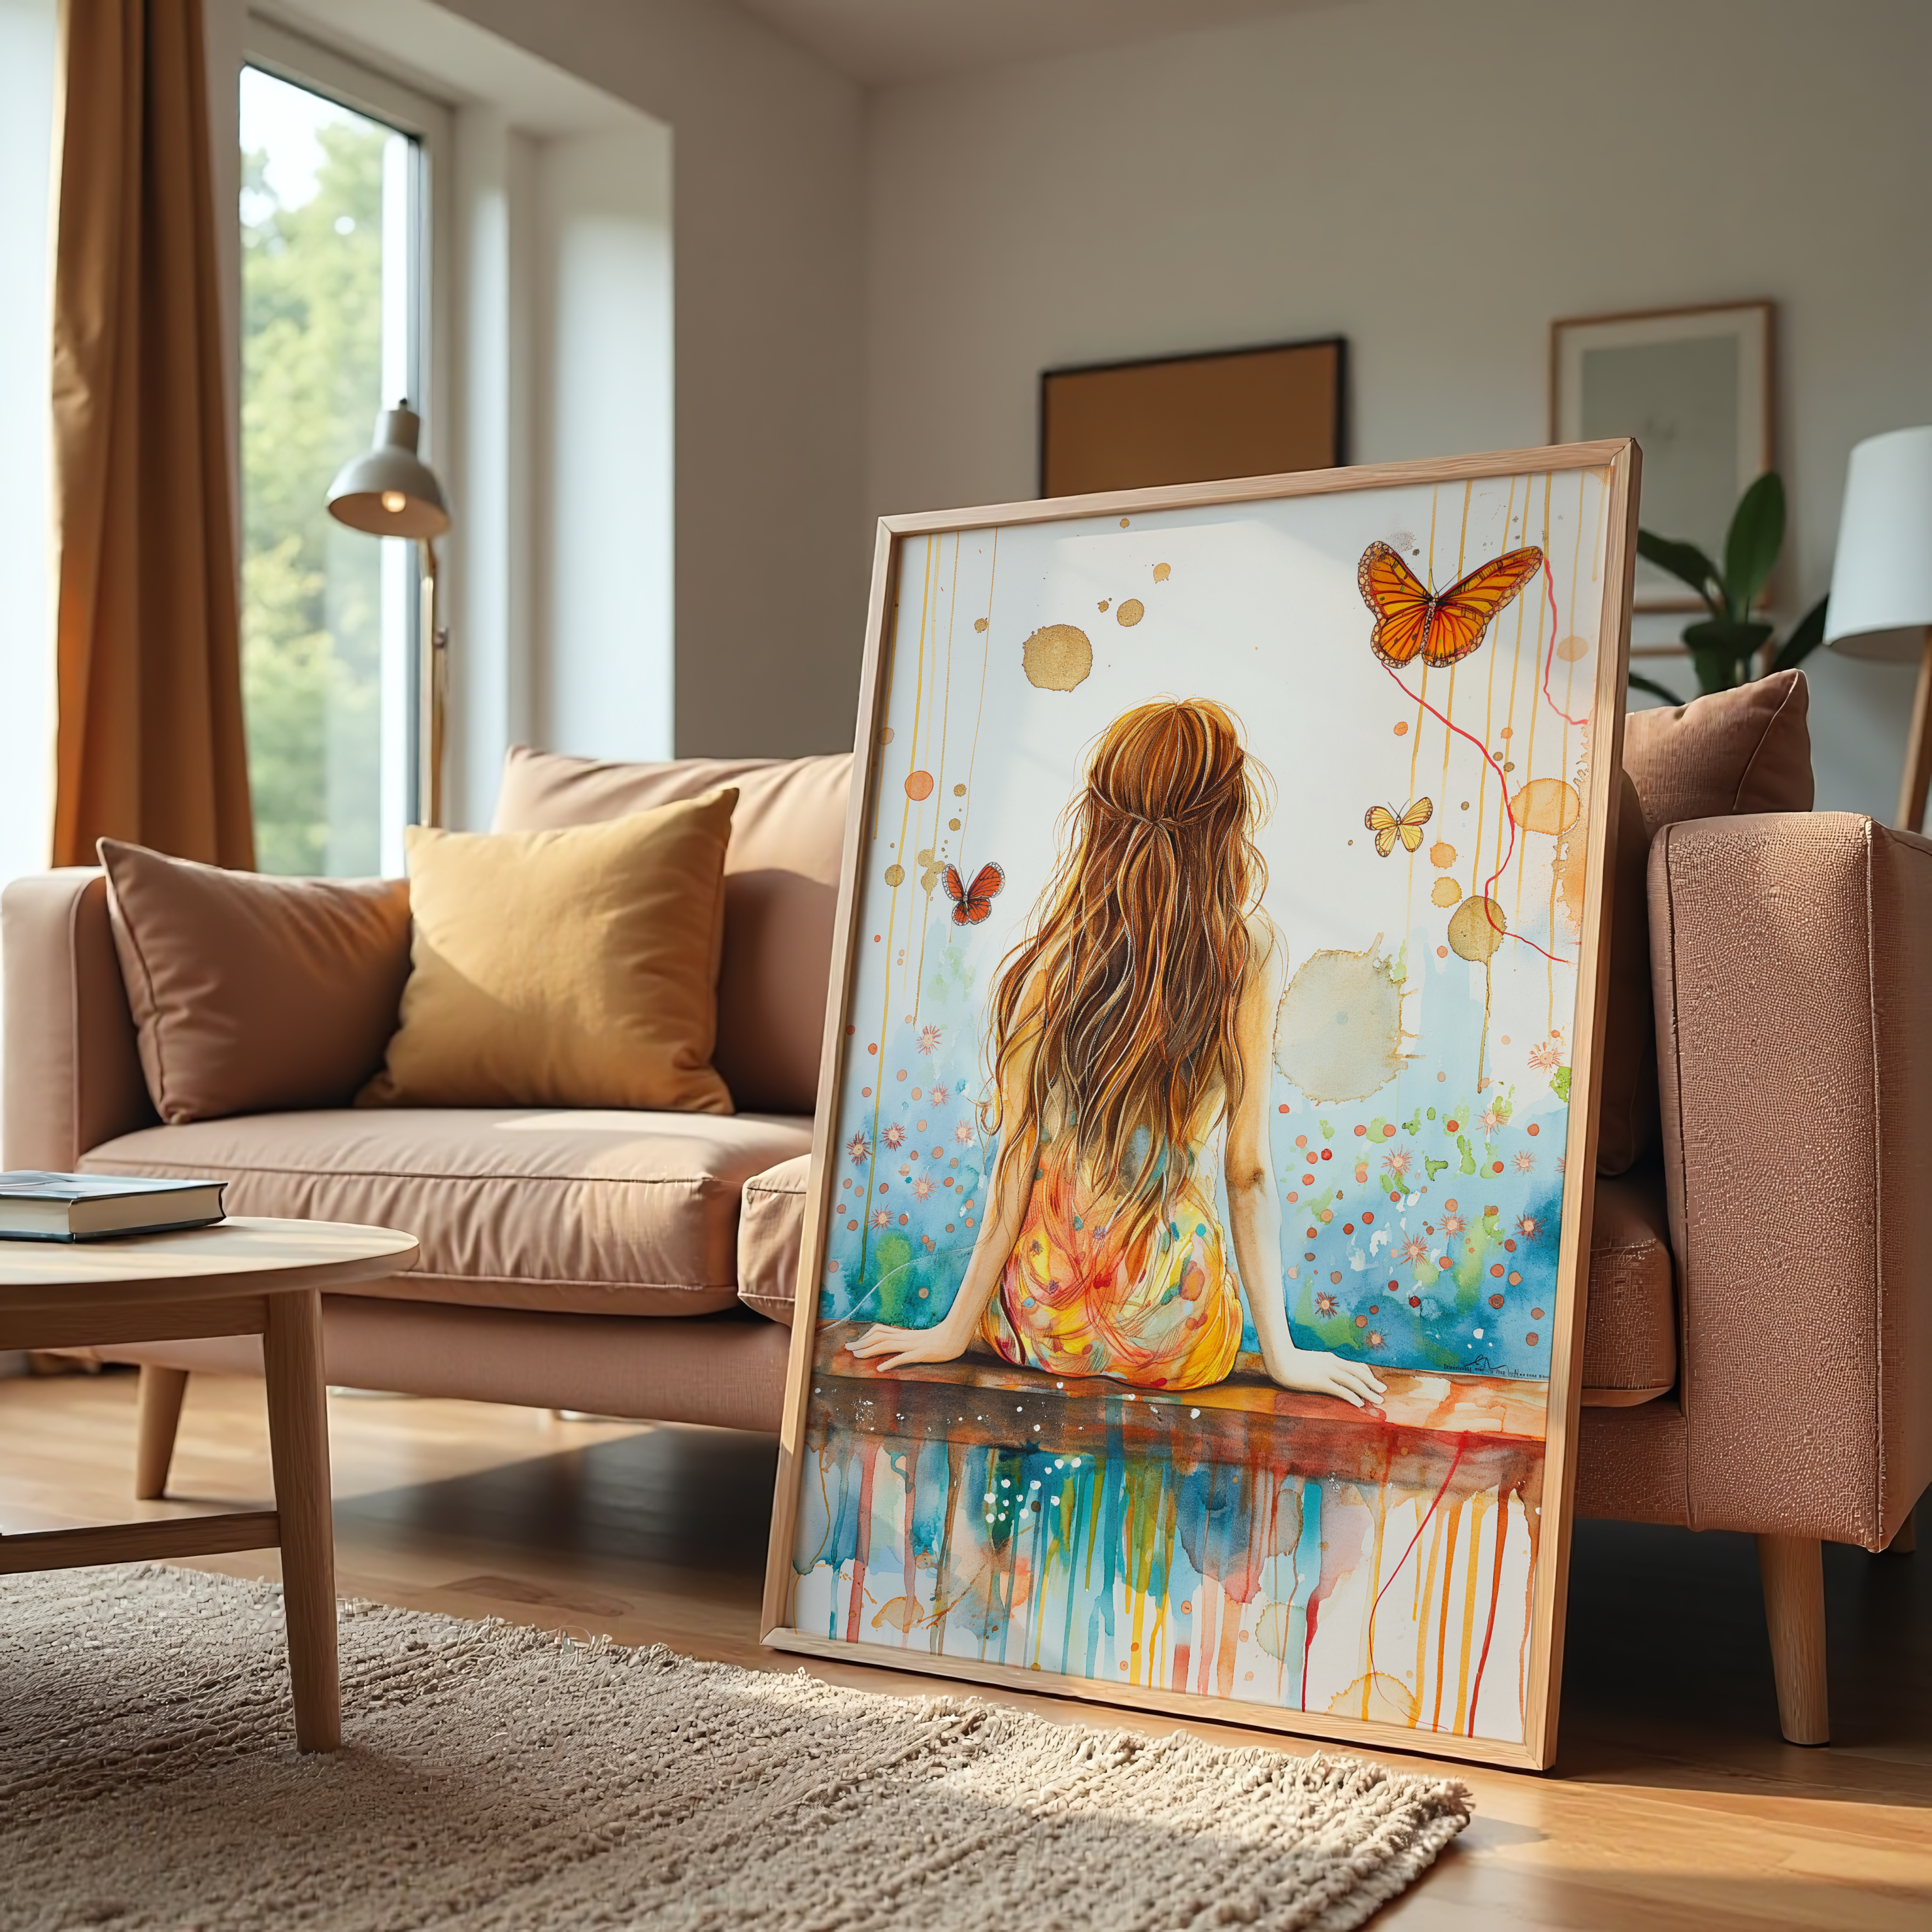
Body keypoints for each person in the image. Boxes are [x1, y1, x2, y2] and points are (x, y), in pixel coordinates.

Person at [850, 697, 1387, 1408]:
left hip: (1045, 1321)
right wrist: (1282, 1355)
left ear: (1100, 812)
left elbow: (1013, 1161)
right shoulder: (1247, 950)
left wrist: (956, 1327)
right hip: (1177, 1324)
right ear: (1227, 817)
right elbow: (1249, 1173)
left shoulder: (1052, 960)